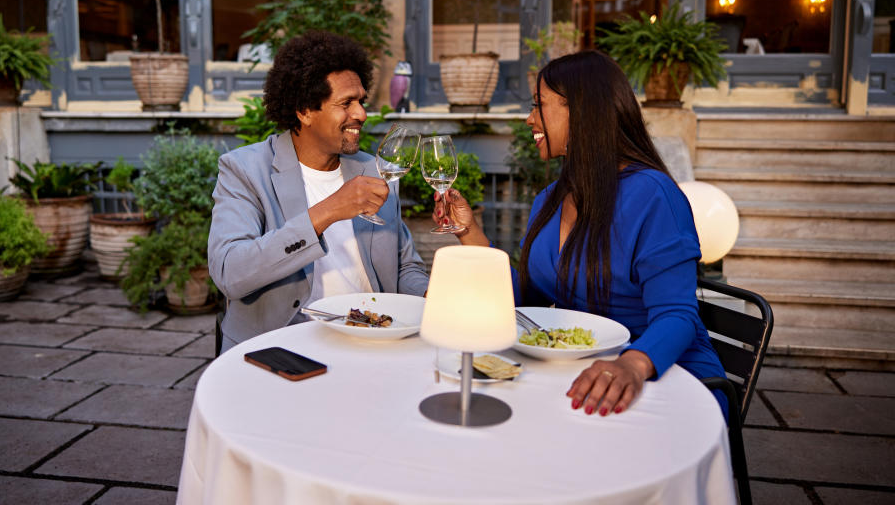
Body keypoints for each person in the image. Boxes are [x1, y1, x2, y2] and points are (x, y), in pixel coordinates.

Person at [437, 50, 726, 417]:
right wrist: (468, 232)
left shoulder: (653, 196)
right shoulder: (550, 200)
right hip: (581, 370)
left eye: (539, 105)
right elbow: (527, 303)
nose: (529, 119)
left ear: (581, 111)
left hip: (663, 375)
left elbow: (677, 314)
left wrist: (631, 365)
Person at [209, 31, 429, 353]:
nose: (361, 114)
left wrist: (429, 298)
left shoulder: (373, 171)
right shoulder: (245, 170)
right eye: (346, 103)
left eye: (361, 101)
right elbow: (230, 272)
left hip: (372, 340)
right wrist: (328, 211)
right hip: (283, 348)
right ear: (304, 111)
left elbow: (405, 266)